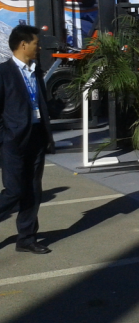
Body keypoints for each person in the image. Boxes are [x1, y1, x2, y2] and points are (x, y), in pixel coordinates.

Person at [0, 25, 56, 254]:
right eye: (36, 43)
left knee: (33, 190)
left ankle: (26, 238)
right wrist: (6, 135)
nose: (39, 47)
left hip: (36, 137)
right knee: (14, 190)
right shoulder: (3, 72)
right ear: (23, 45)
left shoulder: (35, 70)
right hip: (13, 141)